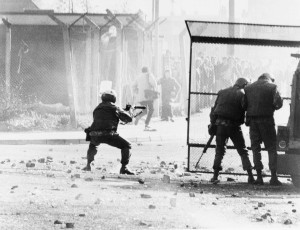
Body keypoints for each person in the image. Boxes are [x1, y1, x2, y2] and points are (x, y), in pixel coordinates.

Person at [209, 78, 254, 184]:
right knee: (243, 151)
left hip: (220, 126)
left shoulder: (222, 92)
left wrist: (213, 123)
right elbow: (245, 109)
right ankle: (251, 176)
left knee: (219, 151)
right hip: (234, 126)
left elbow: (214, 110)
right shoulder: (242, 94)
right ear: (244, 85)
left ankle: (215, 176)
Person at [82, 90, 135, 175]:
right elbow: (128, 119)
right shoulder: (115, 108)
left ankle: (88, 165)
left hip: (95, 134)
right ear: (114, 98)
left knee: (93, 145)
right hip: (109, 135)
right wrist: (130, 111)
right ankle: (124, 168)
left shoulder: (97, 108)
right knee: (127, 145)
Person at [244, 73, 283, 186]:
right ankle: (273, 177)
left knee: (256, 149)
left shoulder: (248, 88)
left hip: (253, 123)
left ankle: (259, 177)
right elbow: (278, 104)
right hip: (267, 121)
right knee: (271, 148)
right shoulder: (273, 87)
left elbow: (244, 105)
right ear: (270, 79)